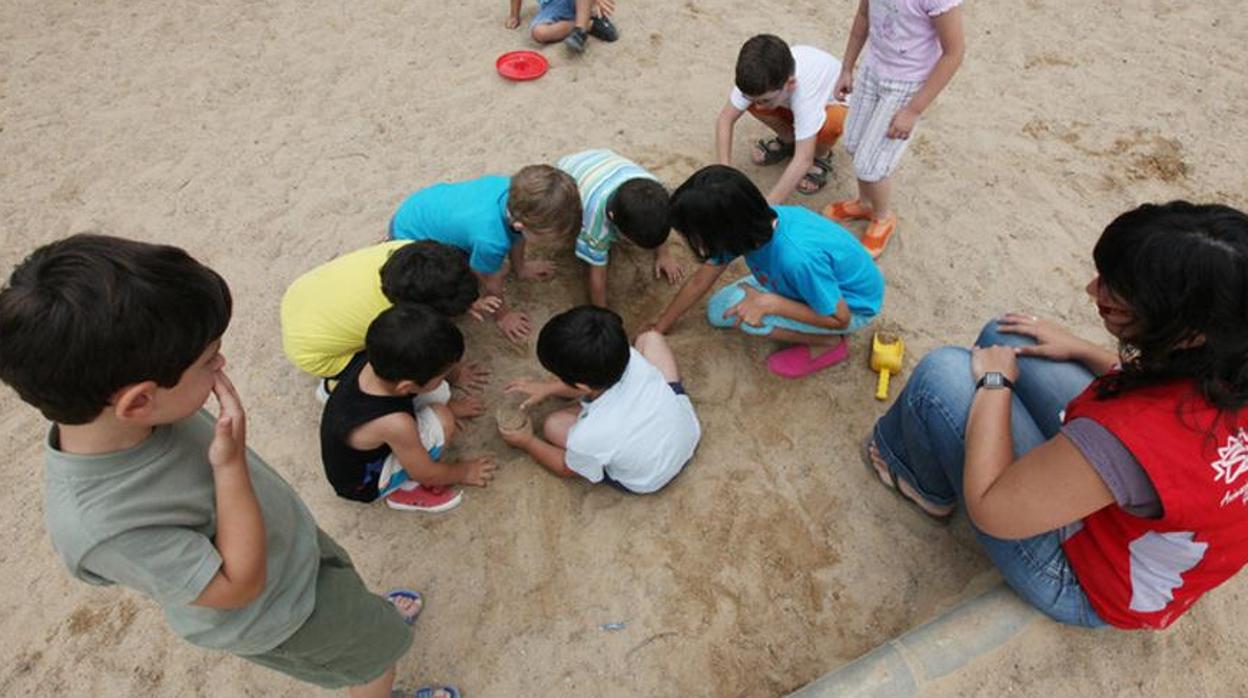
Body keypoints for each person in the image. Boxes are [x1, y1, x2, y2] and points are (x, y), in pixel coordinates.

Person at [0, 235, 458, 698]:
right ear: (138, 400)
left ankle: (365, 616)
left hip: (293, 556)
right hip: (286, 614)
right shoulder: (101, 526)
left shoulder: (147, 412)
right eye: (207, 360)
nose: (220, 363)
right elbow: (236, 589)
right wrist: (230, 466)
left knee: (357, 612)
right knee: (372, 667)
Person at [867, 202, 1248, 629]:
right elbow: (1169, 399)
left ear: (1188, 332)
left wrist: (995, 385)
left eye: (1116, 299)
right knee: (1008, 335)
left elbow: (992, 509)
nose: (1091, 290)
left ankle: (919, 482)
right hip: (1139, 523)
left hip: (1088, 582)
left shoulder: (1131, 436)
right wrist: (1083, 349)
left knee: (945, 376)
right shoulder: (1229, 353)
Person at [651, 165, 883, 379]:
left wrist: (771, 304)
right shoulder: (751, 223)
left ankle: (826, 344)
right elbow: (701, 279)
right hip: (809, 284)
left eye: (693, 235)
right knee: (718, 311)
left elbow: (840, 318)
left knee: (743, 316)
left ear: (721, 232)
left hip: (853, 306)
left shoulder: (796, 259)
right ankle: (775, 303)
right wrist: (659, 327)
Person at [498, 306, 700, 494]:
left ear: (582, 386)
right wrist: (549, 388)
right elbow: (587, 386)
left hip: (648, 477)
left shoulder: (587, 436)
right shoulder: (632, 358)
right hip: (686, 433)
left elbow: (566, 468)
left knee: (552, 425)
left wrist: (527, 442)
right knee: (650, 338)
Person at [321, 303, 497, 513]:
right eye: (445, 373)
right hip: (365, 482)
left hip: (356, 426)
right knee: (443, 419)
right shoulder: (396, 424)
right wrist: (465, 471)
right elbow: (426, 472)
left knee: (438, 391)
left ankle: (437, 402)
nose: (450, 375)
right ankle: (404, 490)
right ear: (406, 386)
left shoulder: (379, 358)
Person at [824, 0, 966, 258]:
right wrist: (847, 67)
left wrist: (913, 110)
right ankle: (865, 203)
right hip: (873, 70)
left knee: (872, 165)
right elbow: (863, 17)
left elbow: (953, 53)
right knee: (854, 143)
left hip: (906, 85)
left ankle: (882, 217)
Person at [389, 165, 581, 343]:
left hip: (423, 208)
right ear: (520, 225)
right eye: (548, 234)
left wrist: (520, 267)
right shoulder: (491, 240)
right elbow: (488, 278)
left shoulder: (510, 191)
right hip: (412, 241)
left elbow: (517, 235)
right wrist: (503, 315)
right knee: (454, 287)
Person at [281, 240, 495, 398]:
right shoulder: (396, 321)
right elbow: (429, 355)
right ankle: (332, 388)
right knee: (400, 367)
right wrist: (455, 375)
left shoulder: (411, 253)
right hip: (314, 353)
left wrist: (465, 300)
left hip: (302, 298)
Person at [715, 34, 849, 202]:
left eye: (765, 100)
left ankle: (821, 156)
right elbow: (725, 120)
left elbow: (803, 159)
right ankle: (789, 140)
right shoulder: (758, 76)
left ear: (790, 83)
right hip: (788, 104)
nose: (759, 106)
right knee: (747, 102)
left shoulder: (804, 94)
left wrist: (768, 208)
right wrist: (724, 173)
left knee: (832, 124)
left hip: (830, 104)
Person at [556, 148, 682, 307]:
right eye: (631, 240)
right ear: (612, 218)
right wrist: (602, 313)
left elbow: (660, 218)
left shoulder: (654, 189)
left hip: (602, 160)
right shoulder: (596, 225)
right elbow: (597, 278)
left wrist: (664, 255)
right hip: (564, 175)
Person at [506, 0, 619, 53]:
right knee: (539, 32)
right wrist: (514, 15)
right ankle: (589, 24)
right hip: (552, 7)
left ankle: (580, 31)